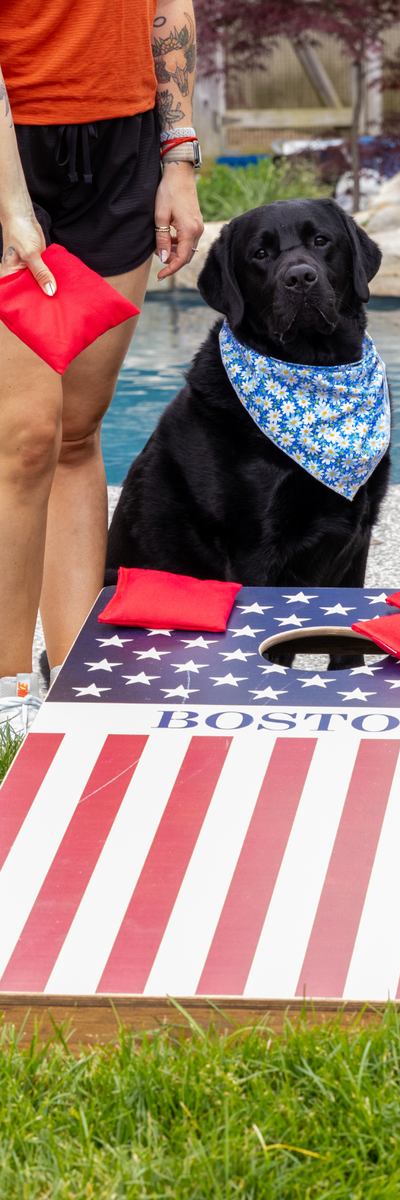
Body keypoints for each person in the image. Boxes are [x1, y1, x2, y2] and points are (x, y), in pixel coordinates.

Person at [0, 0, 204, 721]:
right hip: (9, 136)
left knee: (78, 430)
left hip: (121, 142)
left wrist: (178, 157)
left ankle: (78, 680)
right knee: (24, 439)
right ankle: (8, 698)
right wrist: (10, 198)